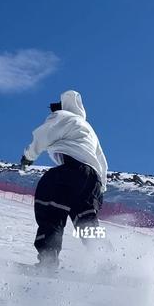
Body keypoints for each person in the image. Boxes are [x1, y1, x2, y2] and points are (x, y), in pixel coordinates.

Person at [20, 90, 108, 268]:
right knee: (86, 221)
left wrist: (29, 156)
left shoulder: (62, 116)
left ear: (64, 106)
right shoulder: (89, 129)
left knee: (50, 204)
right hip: (92, 180)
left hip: (71, 170)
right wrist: (100, 190)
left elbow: (43, 134)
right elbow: (102, 161)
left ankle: (48, 259)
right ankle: (107, 262)